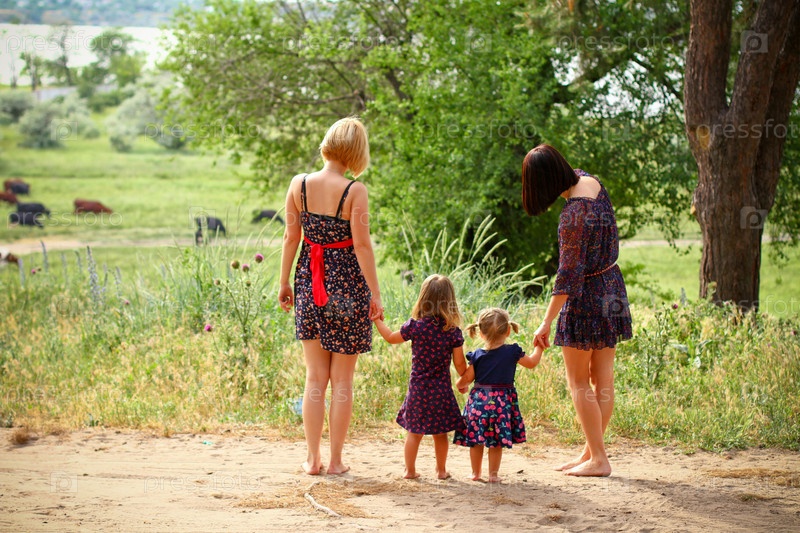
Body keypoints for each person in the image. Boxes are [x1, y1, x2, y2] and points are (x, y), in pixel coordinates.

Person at [278, 117, 383, 476]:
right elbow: (362, 246)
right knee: (342, 381)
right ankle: (336, 461)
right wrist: (375, 294)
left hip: (309, 282)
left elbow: (291, 238)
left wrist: (284, 282)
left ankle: (312, 459)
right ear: (356, 152)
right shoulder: (355, 191)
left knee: (314, 378)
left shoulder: (299, 184)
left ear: (326, 144)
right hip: (348, 289)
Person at [522, 144, 632, 477]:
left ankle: (598, 459)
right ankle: (591, 452)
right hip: (611, 286)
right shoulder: (590, 181)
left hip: (585, 298)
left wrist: (545, 322)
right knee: (603, 377)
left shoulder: (573, 215)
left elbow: (568, 277)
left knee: (578, 381)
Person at [373, 274, 467, 480]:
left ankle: (409, 470)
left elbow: (390, 338)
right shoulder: (452, 331)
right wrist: (465, 379)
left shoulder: (415, 326)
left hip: (418, 388)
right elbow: (460, 364)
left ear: (423, 298)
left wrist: (377, 320)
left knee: (414, 432)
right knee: (440, 433)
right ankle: (441, 471)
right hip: (441, 390)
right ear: (450, 301)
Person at [453, 308, 543, 483]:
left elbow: (465, 380)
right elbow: (532, 362)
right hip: (501, 405)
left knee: (476, 440)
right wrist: (539, 347)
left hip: (479, 403)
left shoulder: (478, 355)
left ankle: (475, 473)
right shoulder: (512, 352)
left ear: (480, 333)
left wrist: (461, 386)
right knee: (496, 441)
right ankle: (493, 475)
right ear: (508, 330)